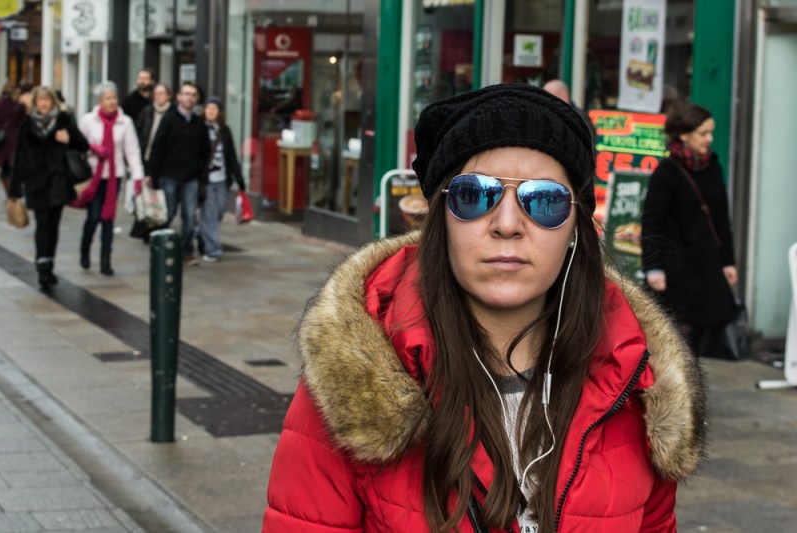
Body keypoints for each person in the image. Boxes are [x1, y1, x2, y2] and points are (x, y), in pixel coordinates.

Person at [262, 84, 706, 532]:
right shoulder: (356, 381)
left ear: (577, 225)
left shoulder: (637, 382)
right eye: (475, 195)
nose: (508, 225)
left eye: (544, 200)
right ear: (441, 218)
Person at [642, 102, 738, 355]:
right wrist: (653, 267)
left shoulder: (713, 167)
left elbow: (720, 217)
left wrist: (728, 261)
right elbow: (652, 221)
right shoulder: (667, 172)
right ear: (683, 135)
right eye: (704, 133)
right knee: (679, 335)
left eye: (711, 132)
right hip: (676, 268)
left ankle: (694, 387)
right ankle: (680, 390)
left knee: (706, 331)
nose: (710, 139)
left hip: (707, 263)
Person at [8, 87, 88, 289]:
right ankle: (42, 266)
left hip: (58, 182)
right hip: (36, 182)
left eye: (47, 100)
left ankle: (49, 262)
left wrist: (68, 139)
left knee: (53, 224)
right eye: (40, 101)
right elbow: (19, 157)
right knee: (42, 223)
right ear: (35, 103)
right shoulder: (27, 125)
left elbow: (83, 145)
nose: (44, 104)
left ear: (53, 102)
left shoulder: (64, 121)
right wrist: (15, 190)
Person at [76, 81, 145, 275]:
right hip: (93, 177)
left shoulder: (125, 122)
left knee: (108, 219)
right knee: (94, 216)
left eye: (114, 97)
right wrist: (92, 149)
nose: (112, 102)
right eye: (108, 98)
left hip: (115, 176)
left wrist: (137, 177)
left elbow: (132, 151)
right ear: (100, 101)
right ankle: (85, 250)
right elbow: (78, 145)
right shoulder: (88, 120)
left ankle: (106, 260)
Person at [145, 82, 211, 264]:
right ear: (179, 97)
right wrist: (151, 173)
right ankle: (162, 249)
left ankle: (185, 250)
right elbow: (157, 147)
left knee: (190, 217)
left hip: (190, 177)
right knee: (168, 214)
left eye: (193, 95)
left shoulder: (199, 124)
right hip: (169, 176)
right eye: (186, 94)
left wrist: (198, 169)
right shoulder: (170, 119)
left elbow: (205, 151)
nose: (189, 98)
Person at [199, 96, 245, 262]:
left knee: (218, 213)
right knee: (210, 214)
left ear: (219, 112)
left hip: (223, 180)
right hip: (207, 181)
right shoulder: (200, 129)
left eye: (214, 108)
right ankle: (213, 250)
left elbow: (231, 156)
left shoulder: (225, 131)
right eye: (208, 108)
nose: (211, 111)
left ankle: (203, 235)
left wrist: (239, 179)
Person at [131, 82, 172, 242]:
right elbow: (139, 131)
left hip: (164, 163)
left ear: (168, 96)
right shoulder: (147, 112)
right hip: (146, 158)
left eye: (162, 93)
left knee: (160, 197)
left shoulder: (172, 113)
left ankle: (158, 228)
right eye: (156, 94)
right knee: (146, 195)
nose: (158, 97)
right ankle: (146, 228)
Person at [0, 82, 27, 194]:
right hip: (16, 138)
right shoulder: (19, 107)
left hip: (2, 140)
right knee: (14, 166)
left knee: (5, 168)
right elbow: (24, 122)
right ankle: (13, 191)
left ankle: (8, 190)